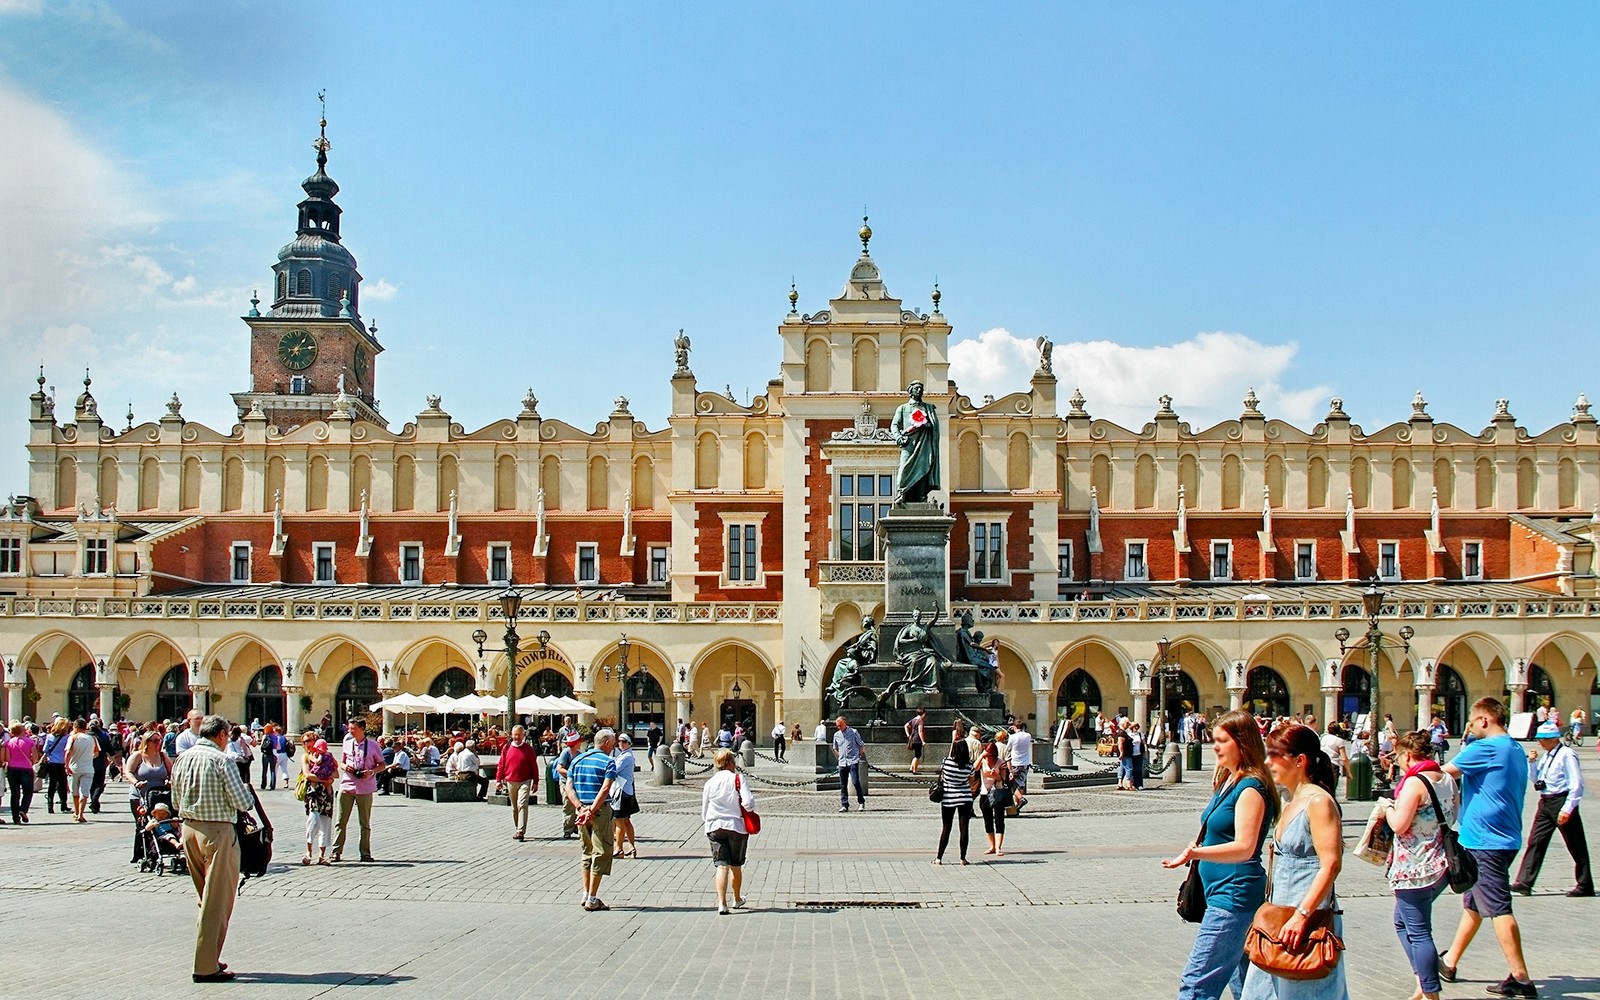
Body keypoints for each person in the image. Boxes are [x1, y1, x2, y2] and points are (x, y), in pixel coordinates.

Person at [1163, 709, 1278, 1000]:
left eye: (1222, 740)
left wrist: (1196, 853)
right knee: (1246, 985)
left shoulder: (1251, 787)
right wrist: (1190, 851)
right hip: (1221, 893)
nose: (1214, 746)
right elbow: (1215, 832)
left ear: (1242, 743)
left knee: (1196, 982)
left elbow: (1245, 847)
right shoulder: (1229, 780)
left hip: (1234, 895)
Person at [1238, 723, 1347, 1000]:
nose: (1267, 762)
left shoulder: (1318, 802)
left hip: (1305, 921)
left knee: (1304, 992)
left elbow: (1331, 864)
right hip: (1278, 919)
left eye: (1275, 755)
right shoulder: (1290, 800)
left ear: (1300, 761)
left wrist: (1302, 915)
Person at [1438, 697, 1536, 998]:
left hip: (1485, 841)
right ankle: (1450, 962)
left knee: (1498, 907)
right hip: (1505, 837)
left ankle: (1521, 978)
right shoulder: (1516, 749)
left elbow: (1442, 774)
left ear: (1484, 720)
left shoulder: (1484, 748)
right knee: (1474, 903)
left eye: (1472, 720)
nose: (1469, 725)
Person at [170, 714, 256, 982]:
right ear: (220, 735)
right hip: (217, 832)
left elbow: (174, 798)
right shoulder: (222, 760)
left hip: (189, 830)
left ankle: (209, 954)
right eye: (227, 735)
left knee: (204, 898)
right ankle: (205, 966)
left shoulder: (183, 758)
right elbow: (243, 802)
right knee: (216, 901)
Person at [1382, 730, 1457, 1000]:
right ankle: (1422, 982)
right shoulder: (1447, 779)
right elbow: (1454, 814)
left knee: (1419, 932)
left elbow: (1399, 825)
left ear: (1409, 756)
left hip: (1414, 867)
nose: (1398, 762)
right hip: (1440, 864)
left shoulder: (1414, 784)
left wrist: (1388, 809)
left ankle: (1429, 991)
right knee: (1402, 922)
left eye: (1399, 756)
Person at [1511, 720, 1592, 897]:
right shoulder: (1547, 756)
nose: (1539, 742)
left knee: (1575, 844)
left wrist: (1568, 808)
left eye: (1542, 738)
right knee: (1536, 841)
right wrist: (1532, 763)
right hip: (1546, 802)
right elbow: (1537, 780)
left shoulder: (1567, 755)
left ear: (1552, 738)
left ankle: (1585, 884)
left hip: (1561, 801)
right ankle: (1525, 881)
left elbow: (1576, 784)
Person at [564, 728, 619, 911]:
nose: (614, 746)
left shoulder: (577, 760)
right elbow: (605, 789)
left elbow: (568, 788)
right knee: (601, 851)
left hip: (582, 810)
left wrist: (580, 808)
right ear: (606, 743)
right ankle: (593, 898)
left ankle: (585, 893)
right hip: (600, 811)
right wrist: (592, 810)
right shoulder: (608, 762)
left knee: (586, 851)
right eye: (613, 743)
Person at [702, 748, 756, 914]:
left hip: (715, 827)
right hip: (736, 827)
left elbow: (705, 810)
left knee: (721, 866)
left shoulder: (709, 783)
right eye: (733, 761)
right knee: (736, 864)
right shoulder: (738, 779)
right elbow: (748, 803)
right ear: (730, 763)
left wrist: (709, 821)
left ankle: (722, 903)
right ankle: (737, 898)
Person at [332, 717, 382, 862]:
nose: (349, 730)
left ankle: (365, 853)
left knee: (364, 823)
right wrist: (344, 767)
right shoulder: (347, 744)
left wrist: (371, 772)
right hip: (347, 785)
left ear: (361, 729)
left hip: (365, 787)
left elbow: (382, 764)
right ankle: (336, 852)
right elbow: (341, 762)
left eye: (352, 728)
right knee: (340, 822)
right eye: (349, 728)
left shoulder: (373, 745)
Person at [890, 379, 940, 504]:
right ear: (910, 391)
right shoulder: (903, 408)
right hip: (908, 445)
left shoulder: (928, 408)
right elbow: (895, 425)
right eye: (916, 388)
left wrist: (928, 425)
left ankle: (921, 497)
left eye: (921, 389)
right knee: (904, 469)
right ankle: (902, 493)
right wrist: (899, 438)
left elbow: (934, 426)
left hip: (924, 445)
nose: (919, 390)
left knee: (924, 468)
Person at [934, 739, 976, 865]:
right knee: (964, 829)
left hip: (948, 798)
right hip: (965, 798)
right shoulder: (969, 765)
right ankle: (963, 858)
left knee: (946, 828)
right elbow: (971, 779)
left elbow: (943, 775)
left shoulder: (946, 762)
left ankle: (939, 858)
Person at [495, 725, 540, 841]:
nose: (517, 737)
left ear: (523, 735)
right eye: (515, 735)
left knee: (522, 804)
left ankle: (521, 830)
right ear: (511, 735)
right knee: (515, 808)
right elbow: (501, 765)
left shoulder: (528, 749)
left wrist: (536, 781)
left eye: (519, 735)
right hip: (510, 780)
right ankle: (517, 827)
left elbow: (534, 766)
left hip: (525, 780)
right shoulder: (507, 748)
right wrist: (498, 780)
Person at [301, 733, 336, 865]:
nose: (306, 744)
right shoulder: (306, 757)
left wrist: (328, 778)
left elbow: (336, 773)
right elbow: (308, 775)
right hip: (313, 793)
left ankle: (321, 856)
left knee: (325, 823)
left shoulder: (327, 756)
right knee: (313, 820)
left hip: (326, 794)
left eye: (308, 741)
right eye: (304, 742)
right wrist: (326, 779)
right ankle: (308, 853)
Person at [612, 732, 640, 858]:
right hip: (627, 790)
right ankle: (632, 847)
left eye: (624, 741)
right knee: (627, 821)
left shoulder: (626, 757)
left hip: (621, 791)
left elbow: (614, 769)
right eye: (619, 741)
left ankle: (619, 849)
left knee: (619, 821)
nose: (620, 743)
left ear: (629, 743)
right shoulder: (625, 755)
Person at [832, 716, 867, 812]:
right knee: (843, 785)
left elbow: (861, 745)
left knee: (855, 782)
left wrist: (858, 756)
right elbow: (835, 747)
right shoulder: (836, 735)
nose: (838, 727)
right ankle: (844, 804)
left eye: (840, 725)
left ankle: (861, 802)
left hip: (853, 761)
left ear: (845, 723)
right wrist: (839, 756)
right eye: (837, 726)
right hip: (842, 762)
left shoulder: (853, 732)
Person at [5, 721, 36, 824]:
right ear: (23, 730)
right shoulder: (30, 741)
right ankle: (23, 809)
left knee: (15, 794)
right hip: (26, 769)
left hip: (12, 768)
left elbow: (7, 757)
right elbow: (35, 758)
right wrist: (31, 761)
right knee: (27, 792)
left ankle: (15, 818)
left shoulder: (8, 742)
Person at [554, 731, 583, 838]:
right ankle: (567, 829)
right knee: (568, 804)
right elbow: (559, 768)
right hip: (565, 783)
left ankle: (575, 826)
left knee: (577, 805)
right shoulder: (566, 753)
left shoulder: (580, 754)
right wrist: (571, 774)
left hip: (576, 783)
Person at [42, 718, 72, 814]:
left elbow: (45, 749)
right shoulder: (67, 737)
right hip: (62, 763)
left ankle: (50, 806)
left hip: (52, 763)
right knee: (62, 784)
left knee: (52, 784)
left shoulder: (49, 736)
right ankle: (64, 804)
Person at [1009, 719, 1033, 809]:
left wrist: (1011, 733)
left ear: (1014, 727)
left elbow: (1008, 748)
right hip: (1025, 762)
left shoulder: (1012, 737)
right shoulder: (1028, 735)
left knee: (1012, 784)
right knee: (1021, 783)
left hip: (1015, 762)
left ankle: (1020, 798)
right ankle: (1017, 804)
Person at [905, 708, 927, 775]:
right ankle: (915, 770)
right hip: (917, 739)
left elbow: (906, 725)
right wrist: (923, 741)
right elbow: (920, 731)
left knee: (916, 754)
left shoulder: (913, 720)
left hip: (913, 739)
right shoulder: (920, 721)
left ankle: (911, 768)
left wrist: (908, 734)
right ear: (923, 714)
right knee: (918, 755)